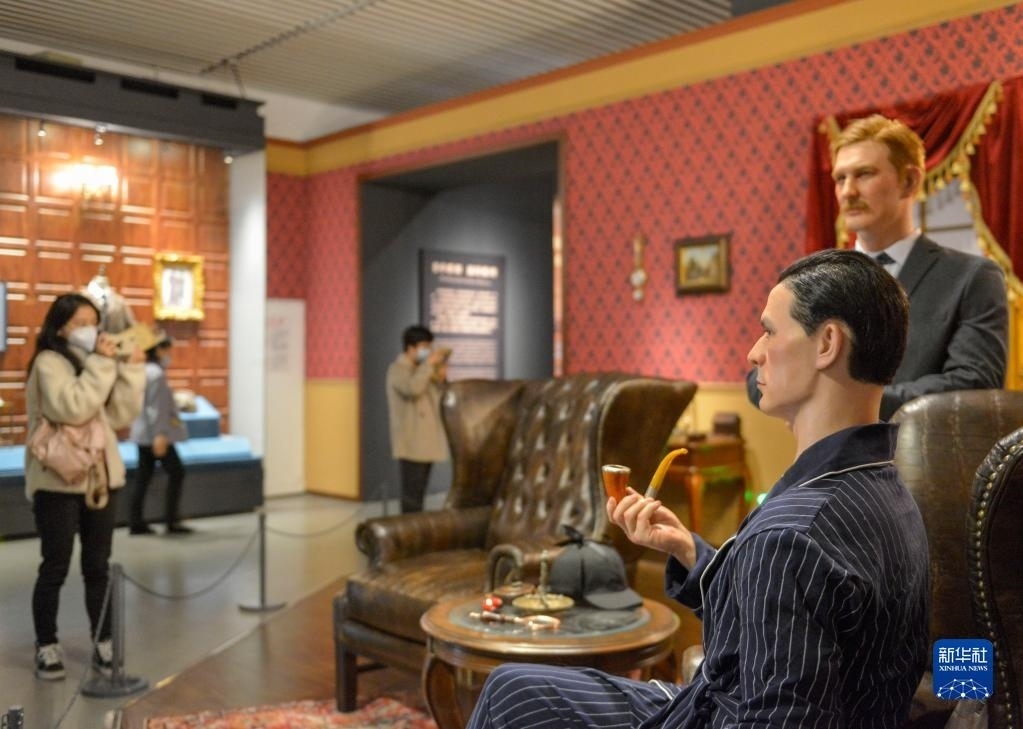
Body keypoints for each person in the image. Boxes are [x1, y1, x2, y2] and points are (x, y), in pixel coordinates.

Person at [466, 249, 930, 729]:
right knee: (512, 687)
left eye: (770, 331)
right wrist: (687, 549)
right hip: (723, 703)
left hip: (715, 716)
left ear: (827, 343)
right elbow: (782, 618)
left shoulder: (793, 535)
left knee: (507, 699)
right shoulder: (888, 494)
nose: (754, 352)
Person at [748, 114, 1008, 420]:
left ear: (909, 181)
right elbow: (758, 378)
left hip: (921, 450)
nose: (848, 191)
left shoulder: (972, 277)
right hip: (822, 449)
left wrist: (846, 398)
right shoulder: (813, 280)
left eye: (864, 174)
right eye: (840, 178)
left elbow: (974, 386)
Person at [26, 293, 145, 680]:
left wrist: (131, 371)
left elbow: (118, 415)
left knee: (98, 567)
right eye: (81, 323)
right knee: (55, 567)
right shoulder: (49, 362)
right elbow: (73, 407)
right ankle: (46, 644)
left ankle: (103, 640)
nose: (91, 330)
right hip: (57, 482)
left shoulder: (94, 362)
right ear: (61, 327)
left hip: (100, 481)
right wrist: (103, 364)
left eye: (94, 322)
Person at [128, 328, 191, 535]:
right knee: (176, 472)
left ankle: (136, 521)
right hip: (155, 435)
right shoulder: (155, 374)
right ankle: (171, 520)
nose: (169, 355)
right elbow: (157, 408)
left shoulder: (142, 371)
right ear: (158, 350)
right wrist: (160, 434)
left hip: (142, 432)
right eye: (167, 350)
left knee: (143, 477)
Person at [385, 325, 449, 513]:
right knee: (412, 497)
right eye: (424, 347)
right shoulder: (397, 369)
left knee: (419, 494)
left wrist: (441, 378)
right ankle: (408, 529)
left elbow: (439, 396)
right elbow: (413, 389)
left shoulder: (423, 370)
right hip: (412, 443)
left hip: (427, 441)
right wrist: (428, 366)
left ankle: (416, 529)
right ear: (410, 348)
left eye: (429, 346)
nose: (428, 351)